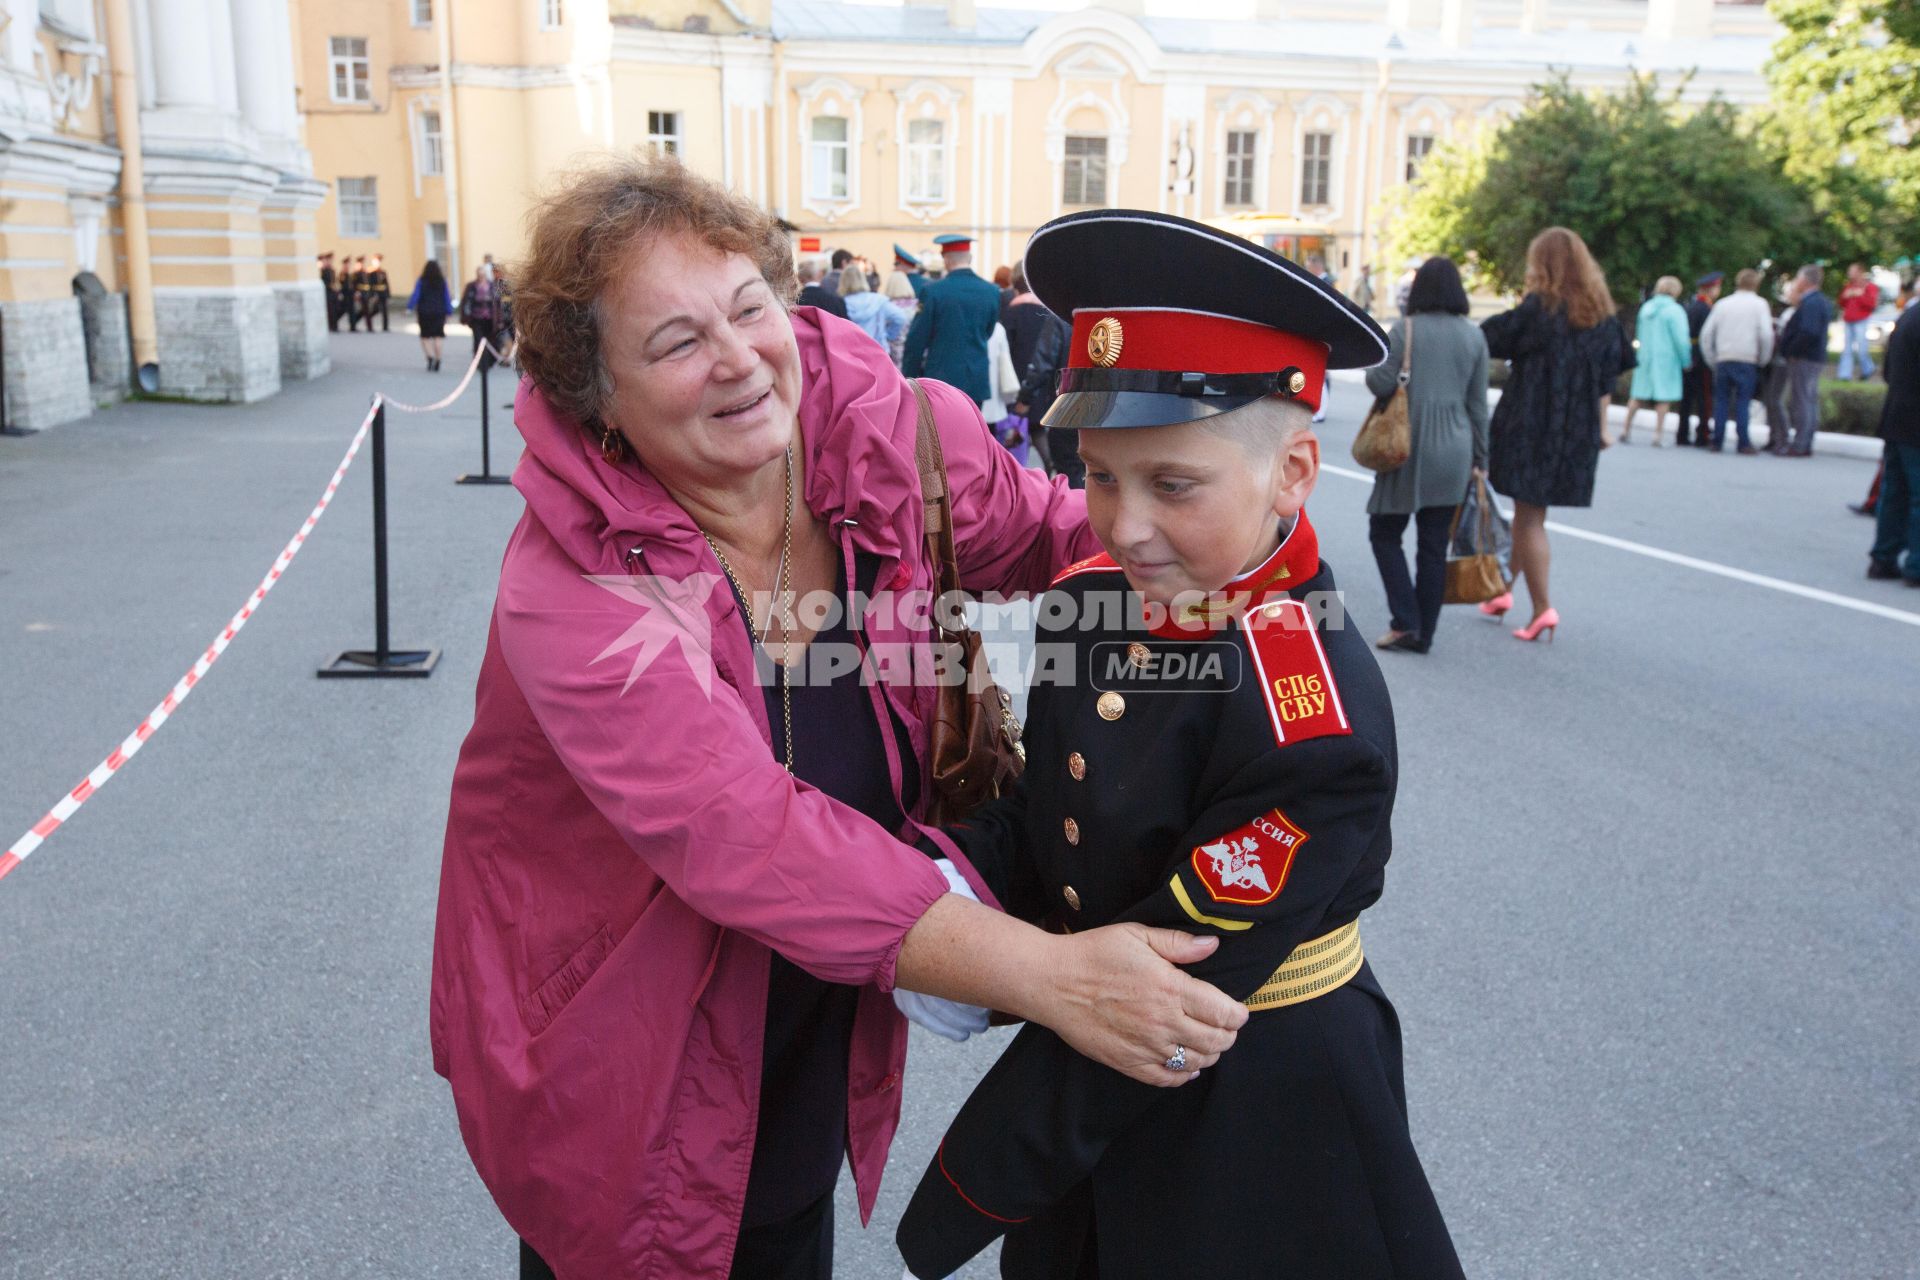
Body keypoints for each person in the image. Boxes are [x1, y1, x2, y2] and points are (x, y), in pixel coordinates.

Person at [431, 156, 1248, 1280]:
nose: (737, 360)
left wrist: (1237, 558)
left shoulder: (888, 434)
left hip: (806, 1030)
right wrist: (1048, 974)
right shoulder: (575, 579)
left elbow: (1055, 532)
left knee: (775, 1220)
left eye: (749, 307)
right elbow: (741, 829)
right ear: (600, 400)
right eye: (675, 343)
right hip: (620, 1044)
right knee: (648, 1231)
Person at [894, 207, 1462, 1280]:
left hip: (1248, 1108)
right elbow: (1052, 808)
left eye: (1173, 483)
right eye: (1101, 474)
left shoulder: (1313, 712)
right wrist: (943, 891)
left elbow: (1165, 986)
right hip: (1093, 1045)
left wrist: (966, 1188)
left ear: (1294, 472)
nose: (1123, 524)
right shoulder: (1095, 602)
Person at [1479, 226, 1626, 641]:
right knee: (1531, 514)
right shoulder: (1603, 318)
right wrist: (1601, 428)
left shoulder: (1539, 310)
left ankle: (1542, 608)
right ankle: (1502, 592)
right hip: (1574, 431)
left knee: (1528, 520)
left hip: (1532, 426)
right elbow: (1607, 379)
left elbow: (1487, 337)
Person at [1365, 255, 1490, 654]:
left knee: (1384, 533)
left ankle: (1406, 620)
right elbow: (1478, 405)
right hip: (1455, 449)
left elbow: (1378, 380)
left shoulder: (1406, 329)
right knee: (1434, 545)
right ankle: (1425, 633)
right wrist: (1482, 459)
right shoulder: (1474, 337)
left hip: (1407, 445)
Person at [901, 232, 1000, 404]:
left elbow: (916, 340)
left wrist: (908, 377)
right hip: (975, 378)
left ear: (945, 259)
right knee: (971, 430)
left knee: (941, 430)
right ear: (970, 258)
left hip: (941, 379)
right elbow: (988, 331)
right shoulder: (991, 291)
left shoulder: (933, 291)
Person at [1866, 283, 1920, 583]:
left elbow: (1888, 371)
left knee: (1894, 493)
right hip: (1916, 424)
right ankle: (1916, 566)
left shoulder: (1907, 318)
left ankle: (1883, 558)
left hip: (1896, 416)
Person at [1698, 267, 1775, 454]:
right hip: (1747, 359)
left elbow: (1706, 335)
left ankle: (1717, 440)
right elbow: (1766, 335)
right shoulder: (1760, 305)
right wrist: (1763, 358)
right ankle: (1743, 442)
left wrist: (1711, 358)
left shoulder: (1723, 304)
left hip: (1724, 358)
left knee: (1722, 401)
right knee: (1743, 401)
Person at [1622, 276, 1692, 446]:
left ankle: (1626, 429)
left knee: (1637, 394)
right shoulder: (1675, 311)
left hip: (1645, 356)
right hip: (1666, 358)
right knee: (1663, 397)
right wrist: (1686, 360)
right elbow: (1681, 339)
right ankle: (1657, 434)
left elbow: (1639, 333)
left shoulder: (1646, 308)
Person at [1776, 263, 1832, 456]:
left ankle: (1801, 443)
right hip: (1810, 357)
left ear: (1805, 280)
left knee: (1802, 401)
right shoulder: (1817, 302)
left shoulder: (1812, 303)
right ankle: (1804, 442)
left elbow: (1808, 332)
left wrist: (1792, 351)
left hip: (1804, 358)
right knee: (1807, 399)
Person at [1678, 272, 1722, 446]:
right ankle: (1702, 434)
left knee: (1687, 398)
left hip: (1690, 354)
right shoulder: (1706, 308)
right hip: (1702, 355)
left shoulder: (1693, 305)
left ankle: (1682, 433)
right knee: (1704, 397)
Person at [836, 263, 907, 351]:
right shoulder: (878, 300)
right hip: (877, 349)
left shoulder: (840, 303)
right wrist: (888, 335)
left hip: (851, 351)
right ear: (863, 279)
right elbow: (900, 317)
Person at [407, 258, 454, 371]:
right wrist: (449, 311)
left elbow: (416, 295)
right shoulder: (442, 281)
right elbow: (446, 297)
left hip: (424, 312)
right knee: (438, 336)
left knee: (425, 336)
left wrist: (409, 307)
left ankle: (430, 356)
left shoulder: (421, 281)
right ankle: (438, 358)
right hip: (439, 312)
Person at [1838, 262, 1880, 381]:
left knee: (1862, 348)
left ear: (1859, 272)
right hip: (1849, 320)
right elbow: (1841, 303)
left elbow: (1872, 304)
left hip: (1861, 320)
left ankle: (1868, 369)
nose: (1849, 273)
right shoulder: (1849, 286)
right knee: (1847, 349)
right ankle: (1844, 375)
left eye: (1852, 271)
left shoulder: (1869, 287)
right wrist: (1846, 296)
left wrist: (1859, 295)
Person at [459, 262, 505, 368]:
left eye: (483, 274)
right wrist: (465, 317)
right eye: (479, 274)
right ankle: (479, 361)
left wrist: (500, 319)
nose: (481, 277)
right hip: (476, 318)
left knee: (491, 340)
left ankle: (489, 360)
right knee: (478, 340)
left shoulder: (492, 286)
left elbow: (498, 304)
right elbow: (466, 302)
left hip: (490, 318)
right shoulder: (471, 286)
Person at [362, 253, 391, 332]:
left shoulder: (382, 272)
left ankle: (385, 327)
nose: (378, 263)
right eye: (376, 261)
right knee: (375, 309)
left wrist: (388, 294)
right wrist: (372, 294)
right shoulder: (370, 272)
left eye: (379, 261)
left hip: (383, 293)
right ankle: (368, 320)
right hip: (375, 293)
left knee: (385, 310)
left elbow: (386, 284)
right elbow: (369, 284)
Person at [318, 252, 341, 332]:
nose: (330, 262)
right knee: (330, 310)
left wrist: (336, 288)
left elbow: (335, 281)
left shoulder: (332, 270)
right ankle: (330, 326)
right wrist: (330, 286)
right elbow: (322, 282)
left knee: (336, 309)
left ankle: (335, 326)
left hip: (334, 293)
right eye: (328, 260)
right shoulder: (323, 270)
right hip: (328, 292)